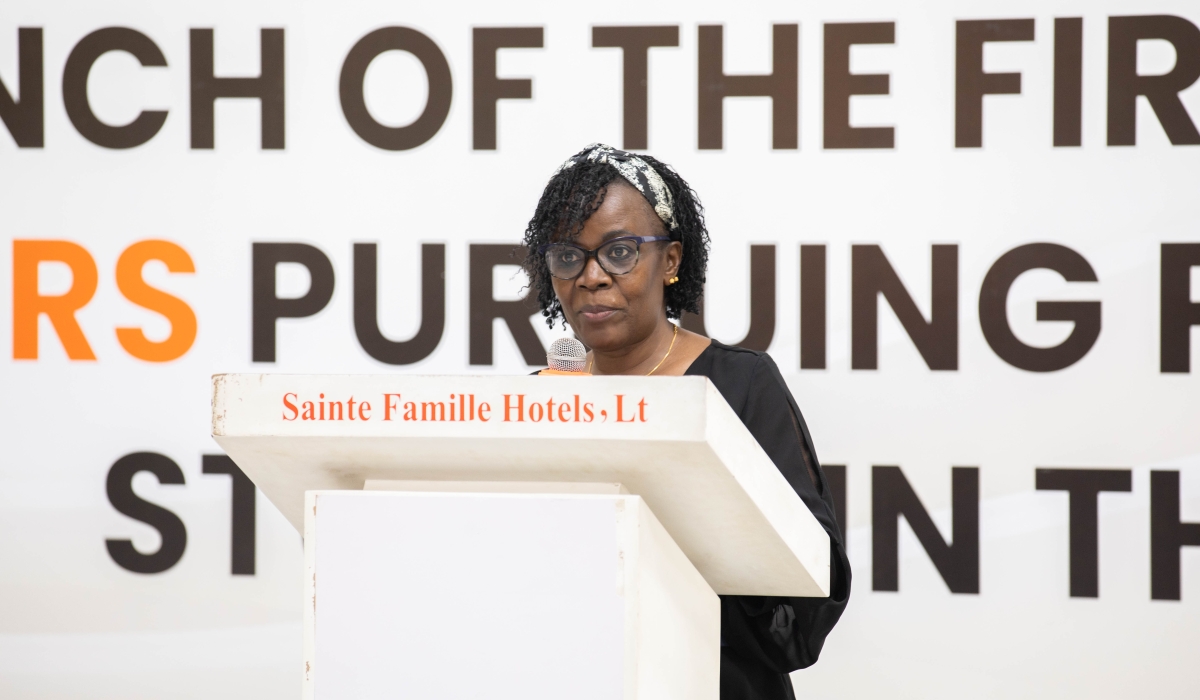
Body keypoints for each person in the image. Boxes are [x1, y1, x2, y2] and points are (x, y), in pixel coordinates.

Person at [521, 144, 851, 700]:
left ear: (670, 261)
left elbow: (806, 609)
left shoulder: (738, 385)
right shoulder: (546, 397)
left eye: (620, 252)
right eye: (568, 257)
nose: (592, 277)